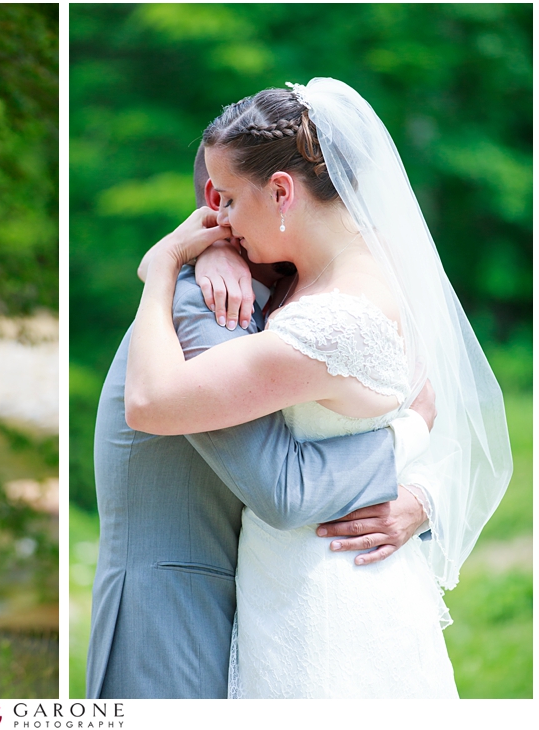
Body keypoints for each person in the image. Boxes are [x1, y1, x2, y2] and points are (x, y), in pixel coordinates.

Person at [124, 79, 512, 698]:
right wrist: (216, 254)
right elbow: (429, 408)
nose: (215, 216)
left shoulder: (329, 326)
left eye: (225, 199)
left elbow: (149, 402)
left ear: (282, 191)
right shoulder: (362, 267)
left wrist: (164, 267)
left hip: (325, 599)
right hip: (318, 578)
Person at [87, 143, 435, 699]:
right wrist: (411, 431)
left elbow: (443, 412)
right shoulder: (208, 307)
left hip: (275, 594)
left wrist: (420, 501)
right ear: (216, 204)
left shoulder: (315, 304)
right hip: (174, 612)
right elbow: (283, 487)